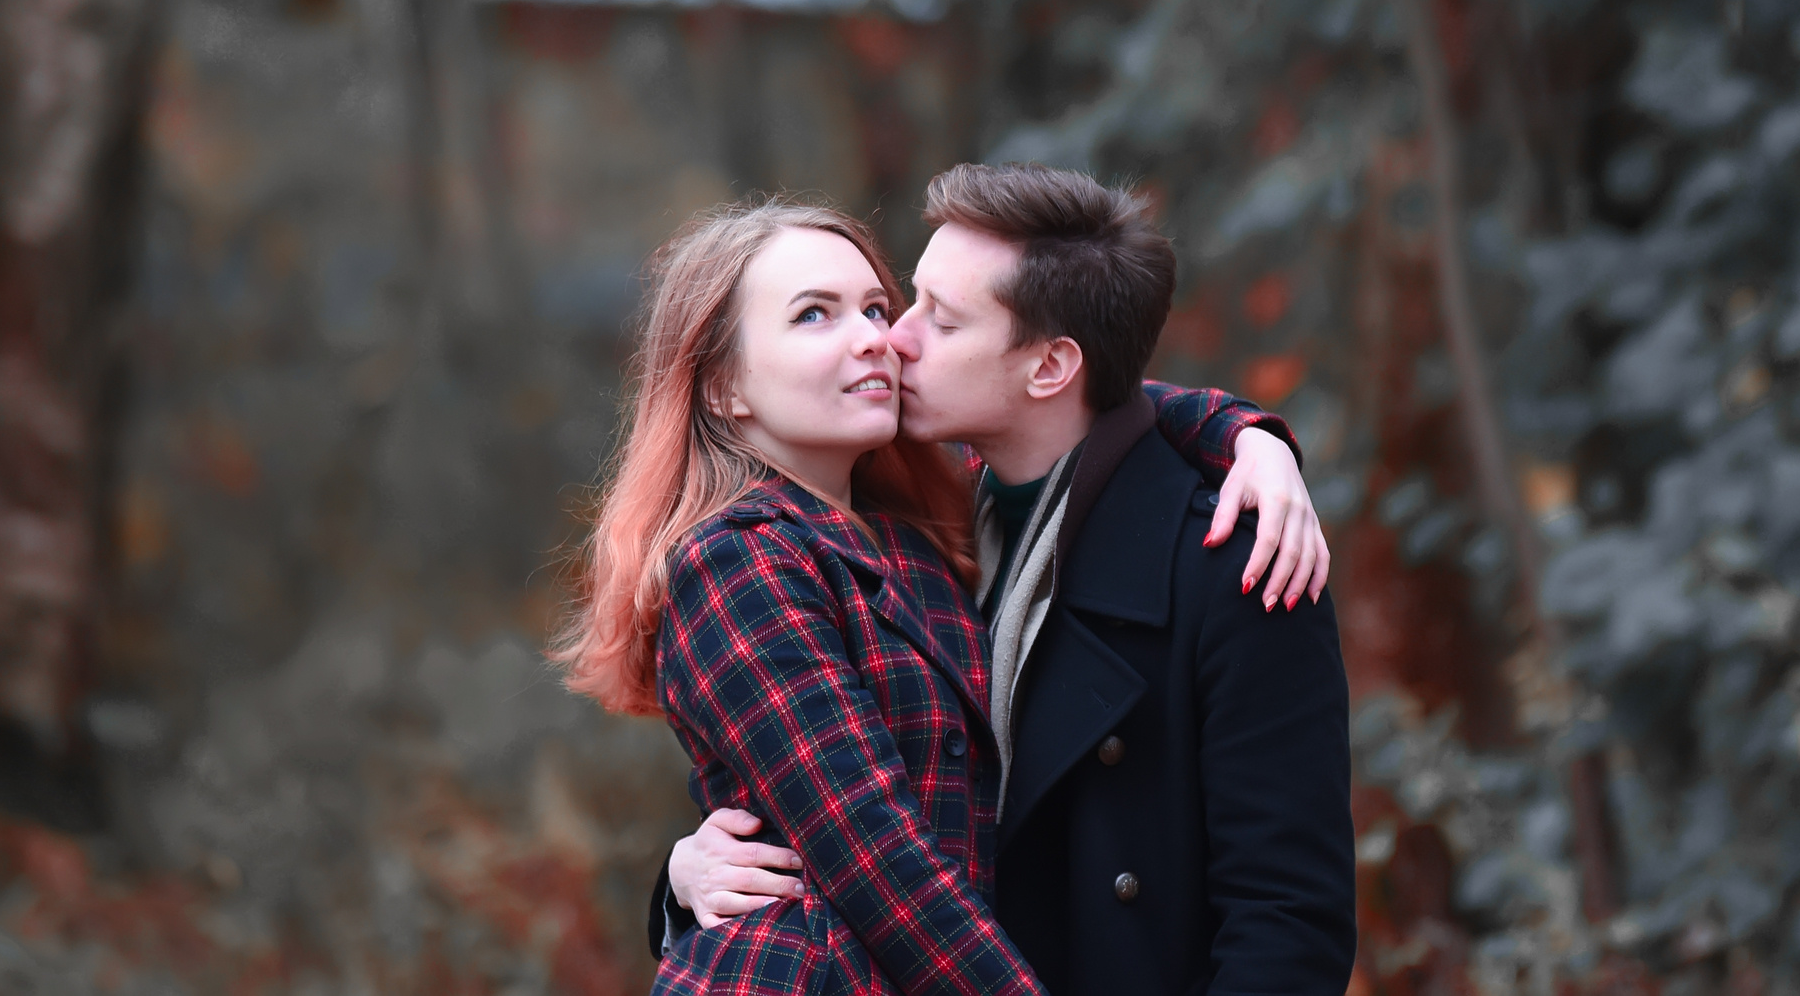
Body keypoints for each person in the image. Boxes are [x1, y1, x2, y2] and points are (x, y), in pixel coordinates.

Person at [553, 196, 1324, 995]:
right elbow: (877, 856)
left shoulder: (912, 531)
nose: (879, 338)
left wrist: (1247, 433)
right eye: (814, 314)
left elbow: (1080, 398)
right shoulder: (735, 563)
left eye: (876, 307)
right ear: (722, 388)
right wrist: (682, 882)